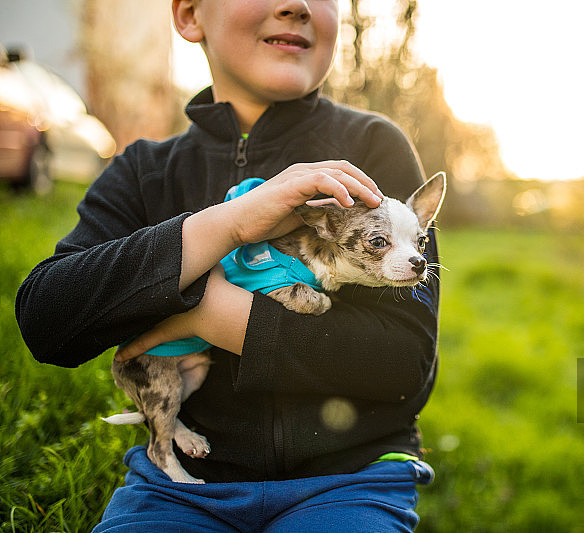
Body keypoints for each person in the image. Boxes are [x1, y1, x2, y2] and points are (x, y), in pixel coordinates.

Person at [15, 1, 439, 531]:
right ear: (190, 15)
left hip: (350, 482)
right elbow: (46, 318)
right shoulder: (143, 171)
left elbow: (405, 364)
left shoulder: (376, 150)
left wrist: (203, 315)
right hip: (177, 490)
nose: (298, 5)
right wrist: (229, 225)